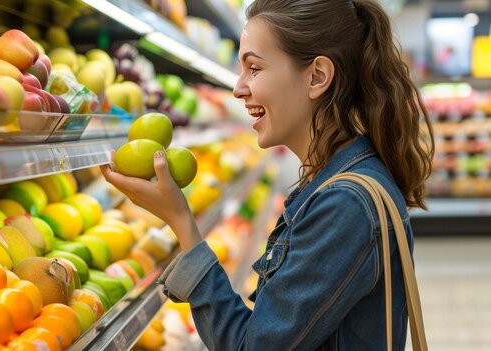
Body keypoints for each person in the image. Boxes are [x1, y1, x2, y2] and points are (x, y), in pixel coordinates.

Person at [101, 0, 434, 349]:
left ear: (317, 76)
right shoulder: (340, 179)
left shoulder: (344, 204)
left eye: (254, 69)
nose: (237, 88)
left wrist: (181, 221)